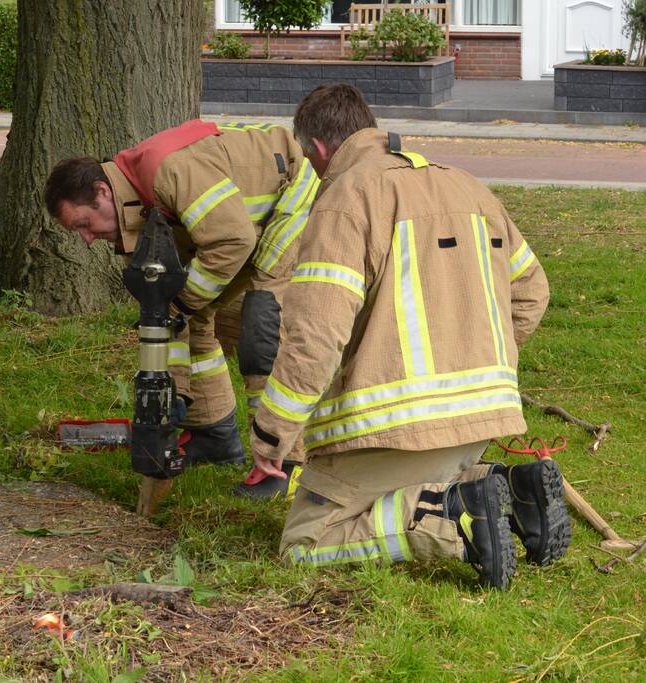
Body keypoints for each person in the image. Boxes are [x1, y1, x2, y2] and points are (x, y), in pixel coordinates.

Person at [248, 84, 568, 589]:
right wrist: (483, 357)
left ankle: (449, 519)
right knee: (417, 482)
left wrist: (272, 432)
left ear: (318, 151)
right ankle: (508, 492)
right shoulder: (469, 187)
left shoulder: (345, 200)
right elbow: (532, 292)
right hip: (480, 423)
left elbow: (315, 334)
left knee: (304, 544)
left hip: (395, 431)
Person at [44, 119, 320, 498]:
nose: (88, 240)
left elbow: (232, 239)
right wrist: (174, 393)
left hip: (291, 196)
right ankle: (212, 435)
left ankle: (285, 465)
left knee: (262, 327)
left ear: (102, 192)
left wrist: (184, 303)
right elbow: (163, 318)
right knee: (193, 314)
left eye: (85, 224)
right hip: (240, 227)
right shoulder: (133, 218)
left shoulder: (170, 172)